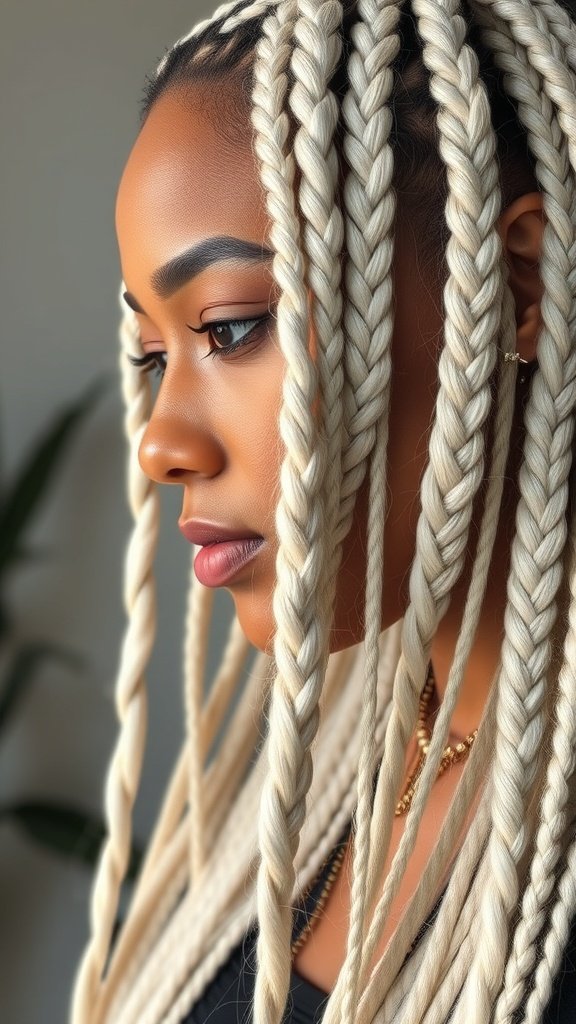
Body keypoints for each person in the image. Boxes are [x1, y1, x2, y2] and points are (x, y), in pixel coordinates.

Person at [70, 0, 576, 1021]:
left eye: (231, 325)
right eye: (152, 355)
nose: (162, 442)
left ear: (517, 275)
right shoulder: (344, 765)